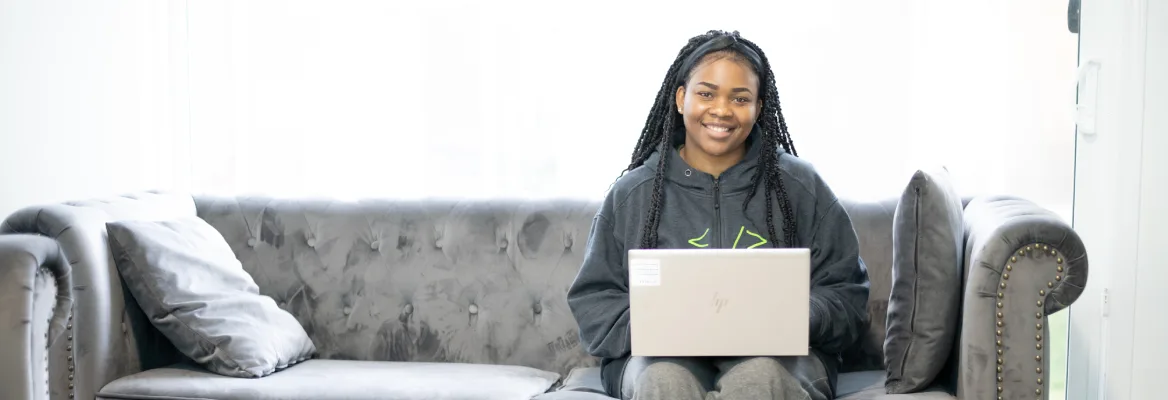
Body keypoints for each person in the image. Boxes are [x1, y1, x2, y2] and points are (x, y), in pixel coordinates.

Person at [566, 30, 870, 400]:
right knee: (664, 381)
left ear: (758, 107)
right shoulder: (633, 193)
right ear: (681, 98)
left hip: (778, 358)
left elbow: (847, 294)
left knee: (759, 380)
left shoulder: (800, 187)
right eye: (706, 93)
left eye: (740, 98)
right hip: (660, 359)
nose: (722, 110)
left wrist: (796, 315)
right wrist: (659, 325)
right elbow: (594, 300)